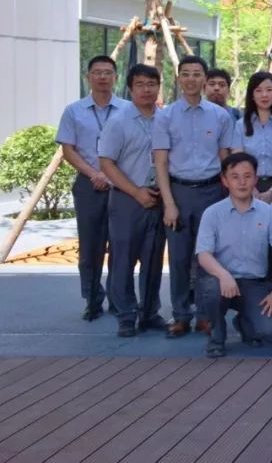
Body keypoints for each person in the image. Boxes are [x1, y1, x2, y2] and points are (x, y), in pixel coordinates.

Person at [152, 54, 234, 338]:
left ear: (205, 79)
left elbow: (225, 158)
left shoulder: (220, 116)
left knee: (207, 256)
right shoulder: (165, 116)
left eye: (197, 74)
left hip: (212, 191)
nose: (191, 79)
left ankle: (205, 315)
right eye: (185, 74)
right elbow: (160, 162)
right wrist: (169, 203)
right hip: (179, 191)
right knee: (178, 257)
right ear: (178, 78)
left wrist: (228, 196)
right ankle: (180, 315)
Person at [57, 55, 132, 320]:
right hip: (88, 184)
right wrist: (95, 174)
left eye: (108, 72)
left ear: (115, 77)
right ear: (88, 77)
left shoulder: (127, 109)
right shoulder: (73, 111)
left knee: (121, 245)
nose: (102, 77)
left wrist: (112, 176)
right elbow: (68, 150)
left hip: (121, 185)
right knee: (90, 247)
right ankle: (92, 299)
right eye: (97, 72)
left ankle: (117, 298)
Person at [97, 63, 166, 337]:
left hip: (158, 197)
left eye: (151, 84)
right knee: (124, 260)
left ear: (159, 87)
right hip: (127, 198)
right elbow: (106, 163)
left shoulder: (165, 119)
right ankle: (126, 315)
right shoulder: (118, 121)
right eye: (140, 84)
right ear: (129, 88)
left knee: (153, 259)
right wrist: (136, 192)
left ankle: (149, 312)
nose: (146, 90)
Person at [195, 152, 272, 358]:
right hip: (221, 281)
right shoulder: (212, 213)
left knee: (271, 332)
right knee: (211, 288)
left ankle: (245, 322)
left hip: (254, 283)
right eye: (235, 177)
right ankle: (217, 336)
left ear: (255, 179)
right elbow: (203, 254)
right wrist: (224, 275)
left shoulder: (269, 212)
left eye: (247, 176)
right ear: (225, 181)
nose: (242, 182)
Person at [233, 72, 272, 207]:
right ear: (252, 95)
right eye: (258, 90)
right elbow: (237, 161)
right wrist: (252, 190)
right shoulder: (240, 125)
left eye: (269, 90)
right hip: (247, 186)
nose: (264, 95)